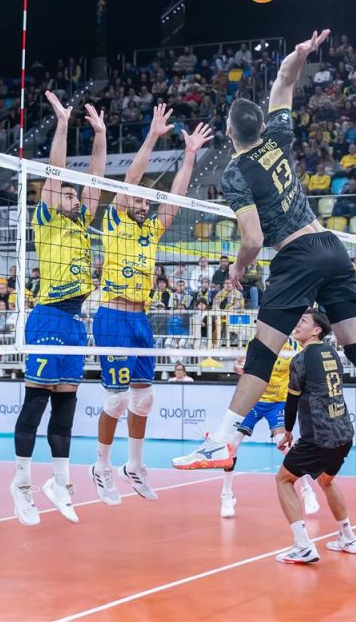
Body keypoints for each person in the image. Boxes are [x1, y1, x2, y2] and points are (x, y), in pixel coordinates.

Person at [172, 29, 356, 490]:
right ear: (259, 126)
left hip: (296, 256)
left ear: (230, 132)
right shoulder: (278, 136)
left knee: (262, 353)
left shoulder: (235, 172)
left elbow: (252, 236)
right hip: (330, 245)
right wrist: (301, 54)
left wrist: (239, 268)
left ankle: (221, 441)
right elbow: (284, 81)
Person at [90, 104, 214, 507]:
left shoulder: (152, 231)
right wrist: (153, 136)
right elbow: (132, 178)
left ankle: (135, 465)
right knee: (117, 400)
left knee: (144, 399)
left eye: (147, 202)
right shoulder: (115, 221)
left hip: (140, 319)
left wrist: (190, 154)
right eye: (139, 201)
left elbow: (176, 196)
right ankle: (101, 466)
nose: (144, 205)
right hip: (112, 316)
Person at [10, 92, 107, 527]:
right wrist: (64, 124)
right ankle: (21, 484)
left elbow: (97, 179)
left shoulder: (81, 222)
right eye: (68, 195)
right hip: (48, 314)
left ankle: (61, 482)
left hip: (73, 322)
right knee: (36, 405)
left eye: (75, 197)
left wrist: (100, 134)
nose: (75, 199)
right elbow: (57, 172)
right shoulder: (47, 220)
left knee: (66, 406)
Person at [274, 310, 356, 564]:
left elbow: (292, 400)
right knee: (326, 480)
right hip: (344, 433)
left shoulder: (301, 359)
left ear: (316, 330)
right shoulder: (333, 353)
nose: (297, 324)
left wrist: (287, 430)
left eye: (303, 321)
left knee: (283, 480)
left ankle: (303, 546)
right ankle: (348, 537)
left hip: (319, 437)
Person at [222, 338, 320, 519]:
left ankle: (307, 490)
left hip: (278, 402)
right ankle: (227, 495)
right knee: (232, 445)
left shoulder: (295, 347)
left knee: (283, 445)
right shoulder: (257, 342)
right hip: (254, 399)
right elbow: (243, 367)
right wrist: (238, 367)